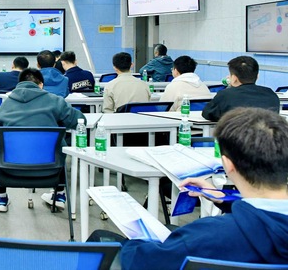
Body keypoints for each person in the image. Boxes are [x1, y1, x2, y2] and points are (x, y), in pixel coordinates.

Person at [118, 108, 288, 269]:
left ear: (228, 165)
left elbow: (141, 262)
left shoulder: (208, 236)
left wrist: (131, 242)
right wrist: (224, 199)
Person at [0, 68, 85, 212]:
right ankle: (59, 195)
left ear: (19, 84)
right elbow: (79, 121)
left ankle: (1, 199)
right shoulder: (55, 100)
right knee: (58, 145)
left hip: (10, 168)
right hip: (49, 168)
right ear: (41, 84)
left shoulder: (6, 104)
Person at [202, 56, 280, 122]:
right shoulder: (271, 94)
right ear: (257, 76)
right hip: (265, 135)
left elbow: (207, 114)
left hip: (234, 135)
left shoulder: (225, 95)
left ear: (234, 78)